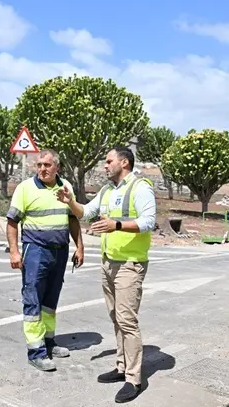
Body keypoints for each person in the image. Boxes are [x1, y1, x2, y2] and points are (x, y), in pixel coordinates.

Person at [56, 146, 156, 403]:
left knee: (127, 321)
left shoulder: (140, 188)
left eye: (109, 161)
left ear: (124, 162)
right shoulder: (108, 190)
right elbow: (86, 212)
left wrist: (116, 225)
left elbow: (149, 222)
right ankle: (122, 366)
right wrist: (70, 202)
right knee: (116, 318)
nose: (105, 165)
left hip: (130, 264)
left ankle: (133, 378)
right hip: (109, 262)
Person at [6, 149, 85, 372]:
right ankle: (36, 352)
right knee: (33, 299)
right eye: (39, 165)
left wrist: (79, 247)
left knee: (50, 301)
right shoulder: (25, 188)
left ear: (57, 167)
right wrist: (14, 252)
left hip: (60, 252)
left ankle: (49, 342)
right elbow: (12, 222)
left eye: (47, 165)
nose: (42, 169)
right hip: (35, 251)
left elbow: (73, 219)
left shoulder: (65, 186)